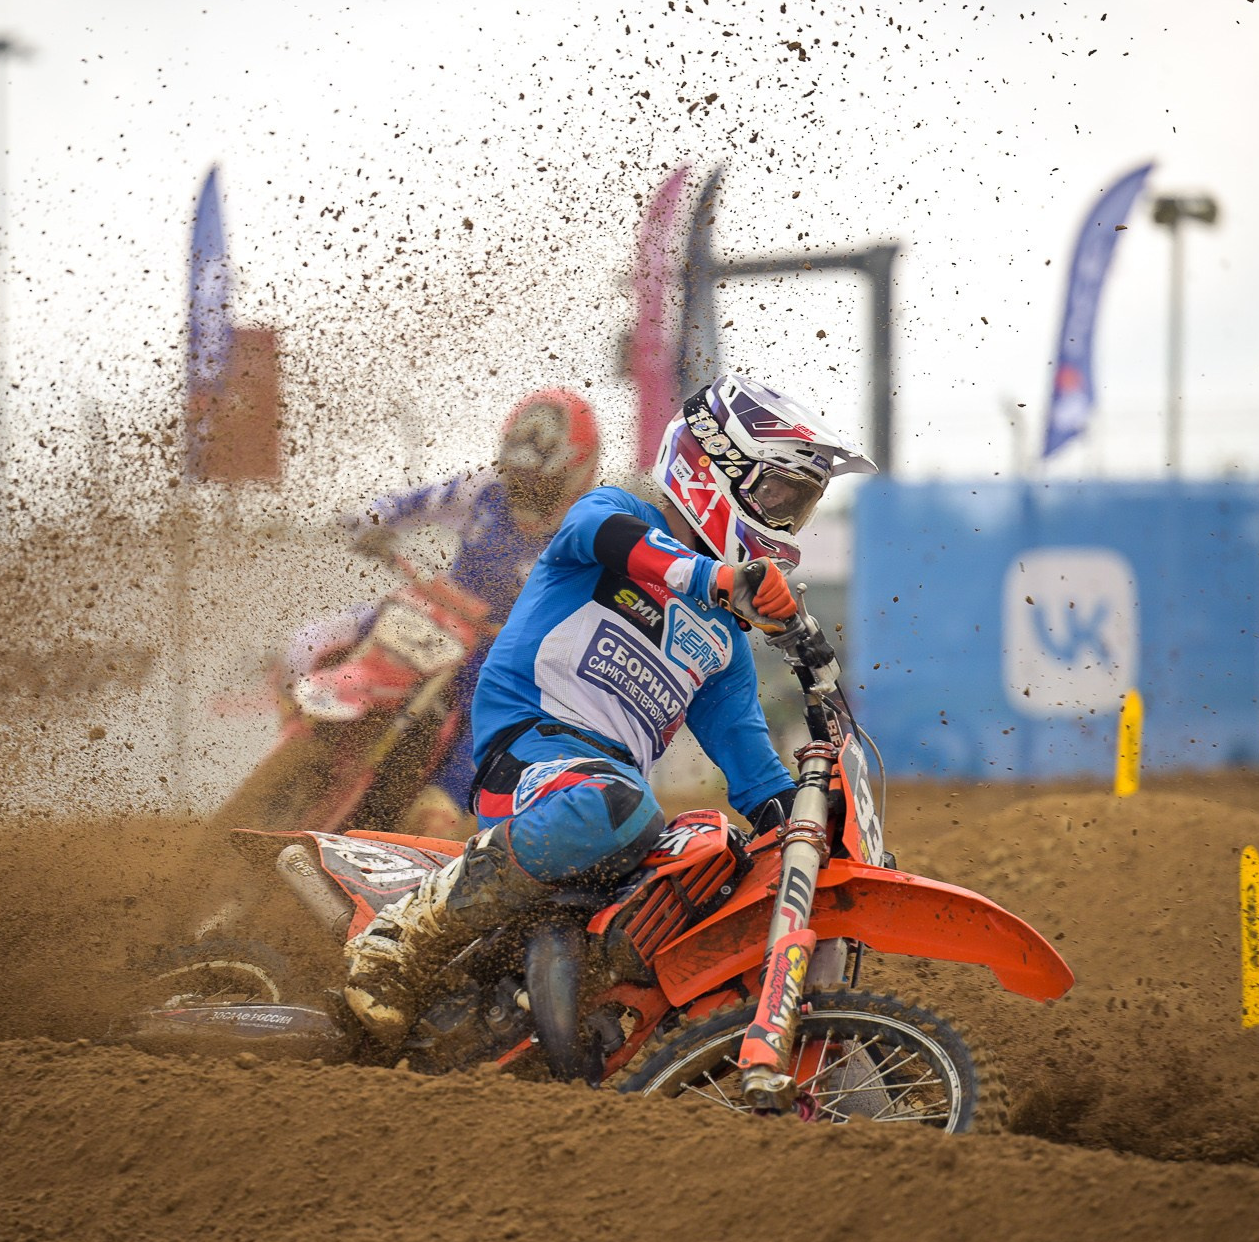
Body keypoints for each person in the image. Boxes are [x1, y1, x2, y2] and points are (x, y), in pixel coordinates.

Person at [343, 373, 877, 1042]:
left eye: (797, 505)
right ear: (714, 471)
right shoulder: (607, 517)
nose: (785, 519)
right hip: (533, 755)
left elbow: (754, 770)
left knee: (715, 860)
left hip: (608, 801)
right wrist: (718, 578)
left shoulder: (721, 642)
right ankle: (407, 933)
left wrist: (810, 826)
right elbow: (622, 543)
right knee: (620, 805)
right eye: (776, 494)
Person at [284, 389, 601, 834]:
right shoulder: (485, 489)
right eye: (517, 473)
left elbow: (597, 608)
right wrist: (370, 520)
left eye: (539, 480)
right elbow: (412, 502)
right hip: (430, 613)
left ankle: (426, 840)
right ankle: (298, 741)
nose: (523, 487)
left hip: (498, 655)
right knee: (307, 642)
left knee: (445, 806)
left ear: (574, 471)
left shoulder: (588, 532)